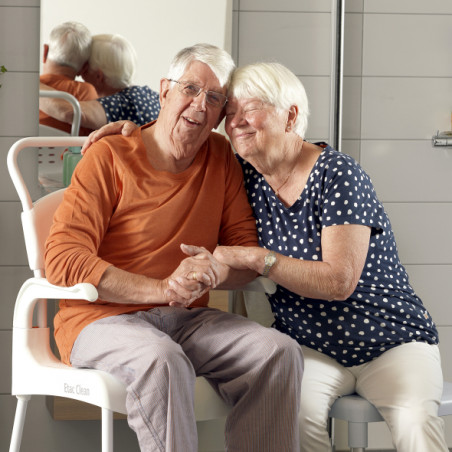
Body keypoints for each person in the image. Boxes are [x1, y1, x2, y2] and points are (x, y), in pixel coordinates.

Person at [89, 61, 448, 452]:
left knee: (414, 422)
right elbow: (177, 136)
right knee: (293, 415)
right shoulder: (246, 175)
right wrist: (131, 133)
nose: (237, 122)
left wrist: (260, 259)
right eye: (230, 114)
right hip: (312, 346)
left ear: (291, 115)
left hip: (390, 341)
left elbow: (339, 283)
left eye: (252, 109)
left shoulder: (338, 173)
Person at [45, 44, 303, 452]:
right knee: (162, 360)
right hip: (99, 321)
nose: (200, 106)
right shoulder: (108, 156)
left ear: (221, 115)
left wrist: (217, 271)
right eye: (191, 89)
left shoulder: (221, 156)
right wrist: (163, 289)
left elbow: (244, 252)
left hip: (183, 320)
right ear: (164, 91)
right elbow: (62, 259)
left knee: (277, 352)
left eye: (215, 98)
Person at [40, 33, 160, 132]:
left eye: (85, 67)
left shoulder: (119, 104)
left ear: (98, 76)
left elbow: (70, 112)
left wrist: (28, 85)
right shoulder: (151, 95)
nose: (79, 73)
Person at [40, 21, 98, 135]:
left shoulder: (22, 87)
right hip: (66, 153)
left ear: (45, 51)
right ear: (84, 67)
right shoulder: (86, 92)